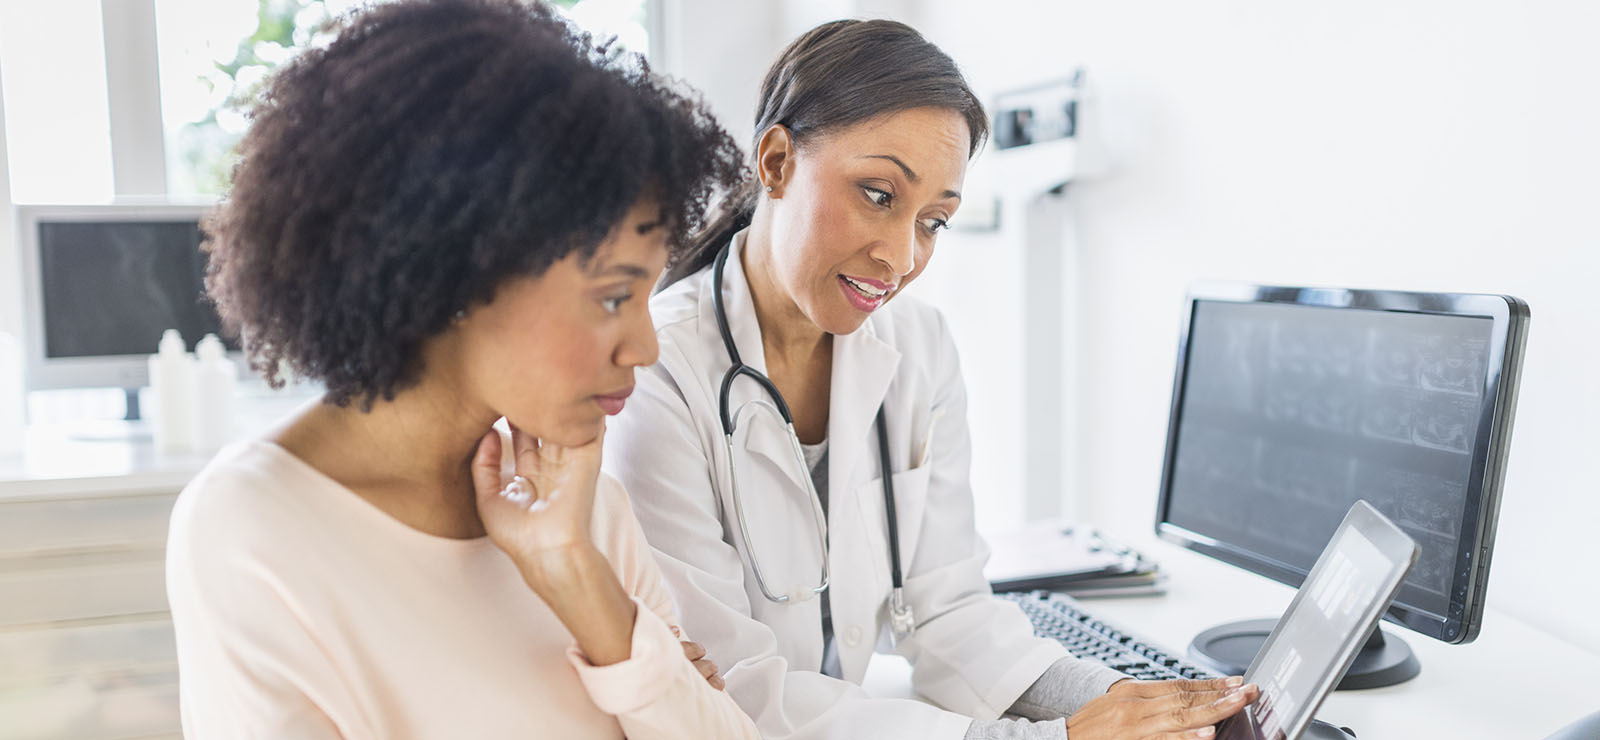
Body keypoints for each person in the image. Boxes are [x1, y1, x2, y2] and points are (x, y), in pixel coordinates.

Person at [602, 19, 1259, 740]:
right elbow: (736, 695)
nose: (900, 256)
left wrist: (1143, 705)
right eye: (879, 194)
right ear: (777, 160)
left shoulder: (918, 346)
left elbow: (953, 619)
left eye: (934, 221)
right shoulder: (655, 373)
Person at [164, 1, 756, 737]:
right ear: (449, 273)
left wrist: (577, 579)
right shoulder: (254, 528)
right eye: (611, 297)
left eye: (647, 294)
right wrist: (662, 682)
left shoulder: (582, 510)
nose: (645, 345)